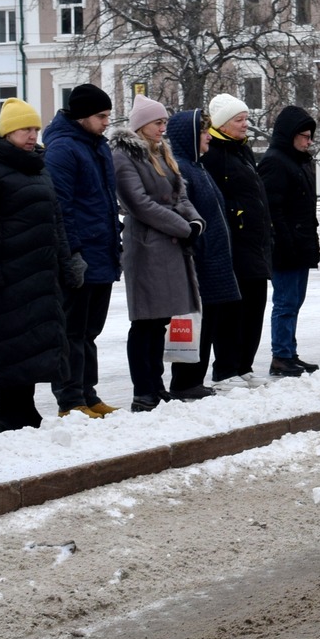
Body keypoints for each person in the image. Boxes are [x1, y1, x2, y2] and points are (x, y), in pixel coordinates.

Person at [0, 99, 71, 431]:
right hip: (6, 278)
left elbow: (56, 220)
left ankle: (27, 411)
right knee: (7, 348)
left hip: (39, 275)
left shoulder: (37, 167)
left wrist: (66, 263)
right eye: (25, 129)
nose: (32, 135)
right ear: (8, 131)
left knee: (32, 347)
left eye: (36, 129)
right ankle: (11, 415)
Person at [109, 95, 204, 411]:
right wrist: (182, 226)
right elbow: (139, 203)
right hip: (147, 246)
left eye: (164, 122)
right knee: (145, 322)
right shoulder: (124, 156)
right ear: (141, 125)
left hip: (170, 245)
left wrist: (194, 222)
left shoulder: (162, 152)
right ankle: (143, 391)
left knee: (160, 320)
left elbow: (180, 195)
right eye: (158, 122)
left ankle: (157, 386)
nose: (163, 128)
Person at [44, 83, 122, 416]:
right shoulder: (63, 149)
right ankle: (70, 399)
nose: (107, 122)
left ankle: (88, 394)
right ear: (82, 116)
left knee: (89, 332)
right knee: (72, 331)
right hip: (80, 256)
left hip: (101, 253)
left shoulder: (97, 146)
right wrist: (72, 254)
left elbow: (104, 202)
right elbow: (61, 208)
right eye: (101, 116)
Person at [167, 111, 238, 398]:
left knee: (209, 321)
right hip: (201, 259)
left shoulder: (198, 167)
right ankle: (185, 382)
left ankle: (194, 379)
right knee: (197, 322)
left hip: (215, 259)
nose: (209, 136)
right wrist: (201, 248)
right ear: (188, 136)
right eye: (203, 131)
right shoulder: (183, 169)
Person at [200, 95, 272, 380]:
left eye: (246, 119)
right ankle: (226, 369)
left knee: (255, 306)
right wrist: (237, 214)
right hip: (233, 244)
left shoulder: (242, 150)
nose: (246, 124)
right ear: (222, 124)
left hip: (254, 243)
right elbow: (213, 198)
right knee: (233, 311)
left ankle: (244, 366)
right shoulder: (213, 154)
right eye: (239, 120)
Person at [256, 104, 320, 378]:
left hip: (299, 244)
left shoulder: (297, 161)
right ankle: (281, 355)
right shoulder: (275, 161)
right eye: (304, 136)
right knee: (285, 302)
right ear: (290, 134)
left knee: (295, 301)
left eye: (310, 136)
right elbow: (272, 208)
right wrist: (285, 240)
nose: (309, 141)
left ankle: (289, 352)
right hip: (285, 247)